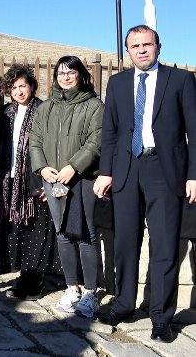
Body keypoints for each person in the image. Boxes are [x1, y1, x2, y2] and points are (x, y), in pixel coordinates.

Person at [94, 25, 196, 342]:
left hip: (165, 172)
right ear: (128, 51)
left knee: (165, 244)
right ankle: (124, 303)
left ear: (158, 46)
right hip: (126, 169)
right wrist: (105, 171)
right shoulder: (118, 82)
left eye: (146, 44)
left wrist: (194, 174)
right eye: (134, 45)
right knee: (125, 241)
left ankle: (161, 317)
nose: (141, 50)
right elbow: (110, 132)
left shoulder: (180, 80)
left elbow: (195, 130)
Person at [29, 56, 104, 318]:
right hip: (53, 180)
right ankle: (72, 287)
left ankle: (91, 292)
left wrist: (74, 166)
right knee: (62, 233)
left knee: (85, 234)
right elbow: (35, 140)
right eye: (61, 73)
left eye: (71, 72)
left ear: (81, 75)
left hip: (82, 178)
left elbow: (97, 141)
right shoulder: (46, 107)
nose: (66, 77)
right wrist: (42, 168)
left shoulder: (94, 105)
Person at [0, 64, 59, 300]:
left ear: (32, 86)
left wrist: (45, 184)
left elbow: (52, 149)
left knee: (36, 232)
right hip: (10, 181)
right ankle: (23, 278)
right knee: (15, 232)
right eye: (14, 87)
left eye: (23, 86)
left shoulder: (44, 110)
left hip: (34, 180)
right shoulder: (6, 112)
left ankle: (35, 281)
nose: (19, 91)